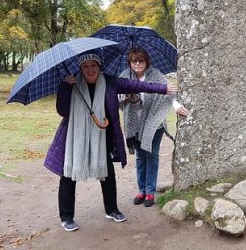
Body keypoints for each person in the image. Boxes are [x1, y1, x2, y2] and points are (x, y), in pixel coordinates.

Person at [44, 53, 177, 232]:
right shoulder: (71, 83)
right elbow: (62, 110)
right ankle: (66, 217)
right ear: (81, 69)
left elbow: (137, 85)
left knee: (107, 173)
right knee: (68, 175)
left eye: (94, 65)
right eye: (85, 66)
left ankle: (112, 209)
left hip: (102, 136)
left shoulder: (110, 82)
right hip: (75, 138)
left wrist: (163, 88)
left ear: (100, 66)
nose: (90, 69)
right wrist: (66, 87)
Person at [120, 48, 189, 207]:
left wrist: (177, 106)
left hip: (154, 122)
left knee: (151, 155)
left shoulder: (155, 74)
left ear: (146, 62)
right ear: (130, 62)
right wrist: (127, 95)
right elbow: (117, 96)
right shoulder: (124, 76)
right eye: (134, 61)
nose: (138, 63)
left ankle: (150, 192)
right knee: (140, 157)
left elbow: (169, 91)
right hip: (135, 124)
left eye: (141, 60)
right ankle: (141, 190)